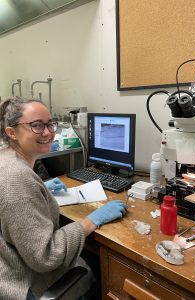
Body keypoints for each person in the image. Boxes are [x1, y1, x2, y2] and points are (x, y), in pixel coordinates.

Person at [0, 97, 128, 300]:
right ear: (11, 132)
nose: (48, 132)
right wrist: (92, 220)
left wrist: (41, 189)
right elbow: (45, 256)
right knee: (105, 269)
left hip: (12, 264)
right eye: (36, 125)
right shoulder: (17, 178)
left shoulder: (6, 161)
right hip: (27, 283)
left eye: (50, 124)